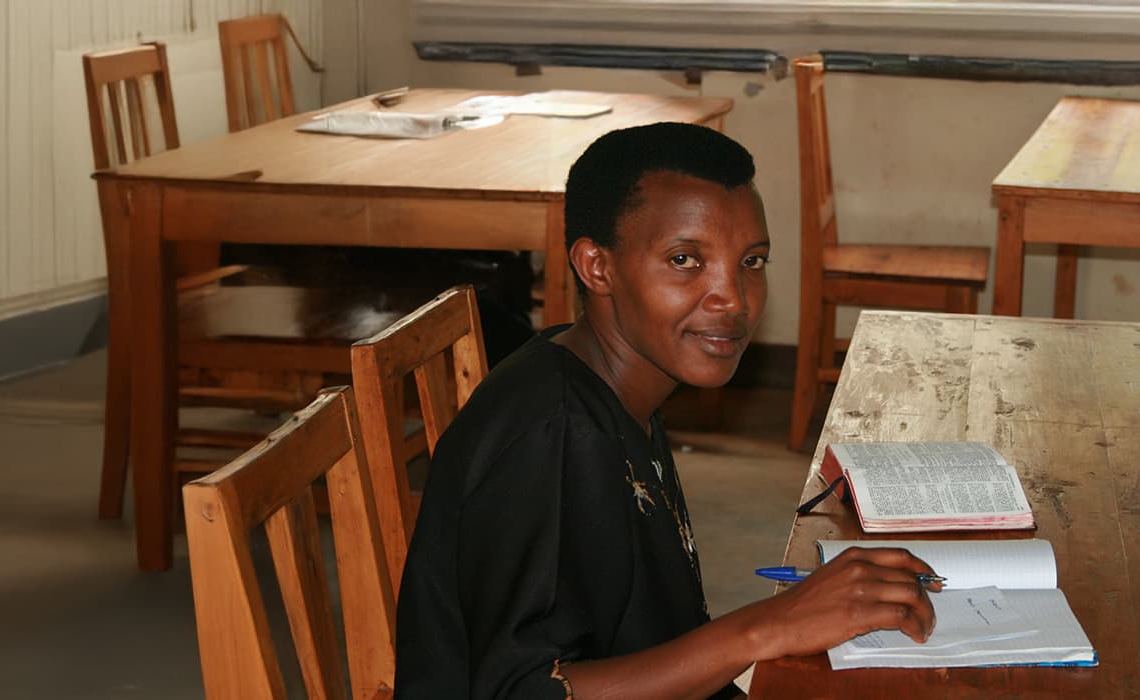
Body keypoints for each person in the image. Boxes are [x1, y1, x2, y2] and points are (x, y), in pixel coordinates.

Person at [395, 122, 941, 700]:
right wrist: (764, 628)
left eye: (751, 262)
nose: (731, 297)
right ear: (596, 267)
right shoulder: (550, 436)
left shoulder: (615, 381)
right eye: (685, 260)